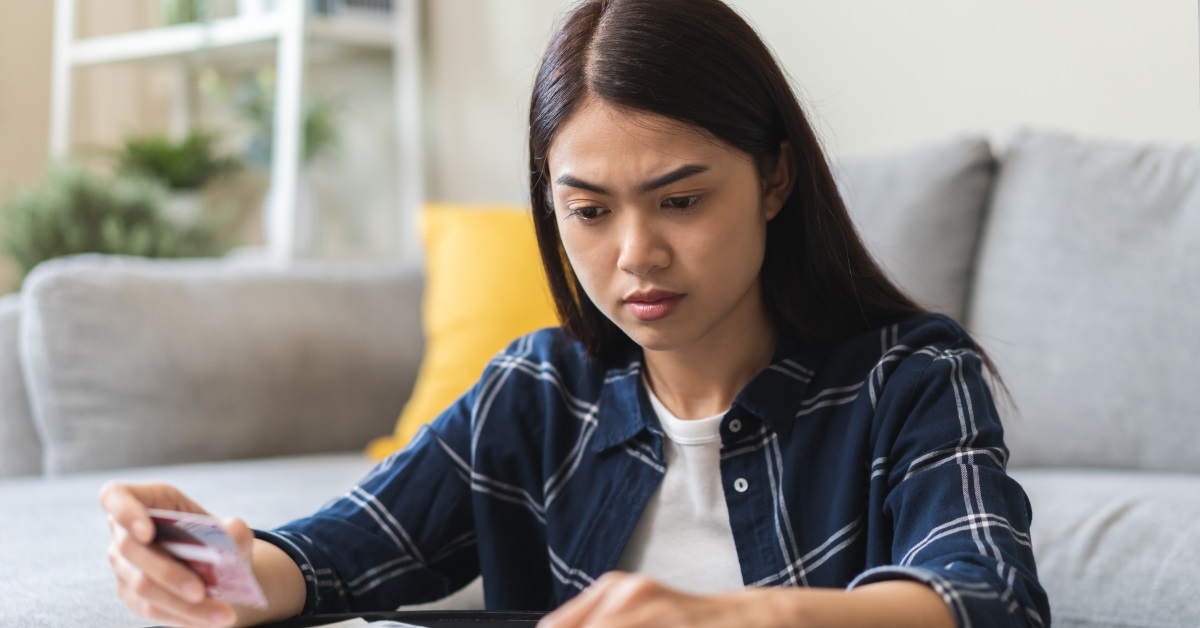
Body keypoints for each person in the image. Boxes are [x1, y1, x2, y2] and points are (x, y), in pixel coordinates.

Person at [101, 0, 1051, 626]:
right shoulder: (540, 390)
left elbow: (987, 591)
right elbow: (337, 554)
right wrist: (215, 568)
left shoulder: (907, 377)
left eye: (681, 200)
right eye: (589, 211)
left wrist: (728, 615)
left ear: (774, 179)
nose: (635, 253)